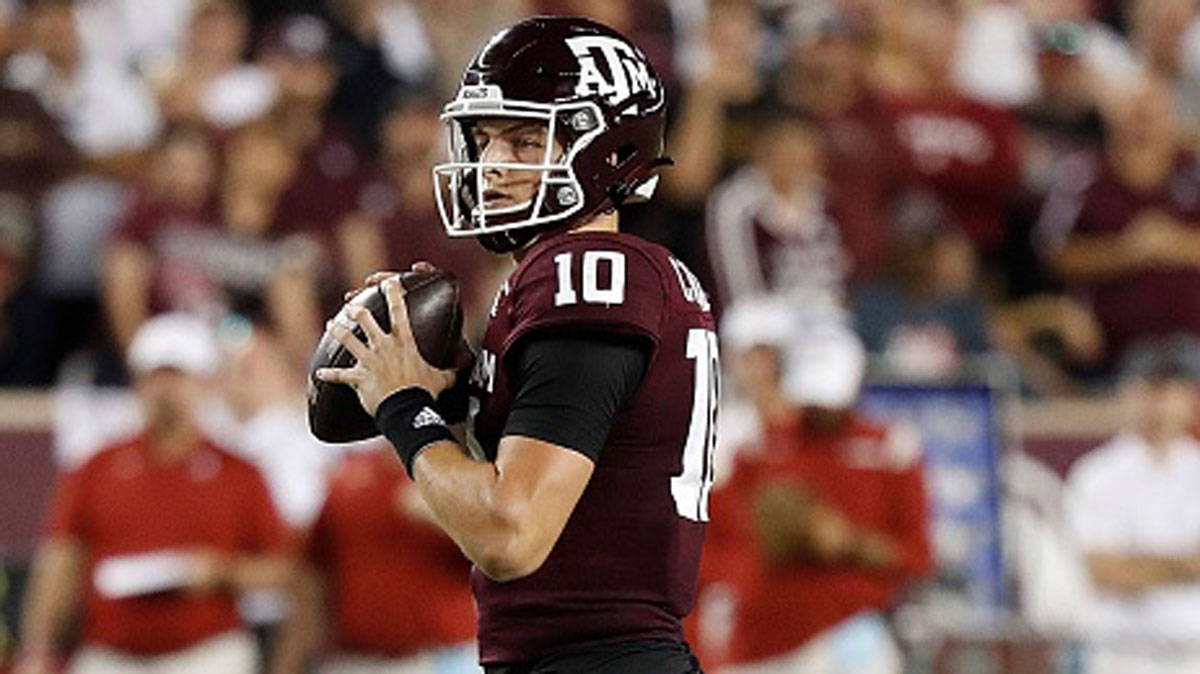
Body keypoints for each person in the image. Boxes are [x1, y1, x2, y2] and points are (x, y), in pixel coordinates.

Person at [316, 16, 716, 674]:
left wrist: (403, 405)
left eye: (528, 140)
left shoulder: (585, 275)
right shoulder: (611, 275)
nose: (494, 165)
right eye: (485, 139)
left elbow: (510, 535)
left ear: (608, 151)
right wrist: (453, 401)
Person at [13, 313, 294, 674]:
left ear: (204, 383)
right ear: (137, 383)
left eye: (177, 377)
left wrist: (222, 573)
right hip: (111, 653)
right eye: (155, 377)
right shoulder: (97, 467)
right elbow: (61, 562)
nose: (166, 390)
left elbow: (281, 569)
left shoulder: (239, 472)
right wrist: (39, 648)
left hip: (207, 653)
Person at [704, 325, 933, 674]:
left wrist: (847, 542)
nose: (820, 410)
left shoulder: (890, 448)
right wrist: (771, 532)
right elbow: (722, 542)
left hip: (849, 629)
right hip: (764, 637)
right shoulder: (756, 448)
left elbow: (918, 556)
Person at [271, 444, 480, 674]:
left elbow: (503, 559)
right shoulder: (349, 475)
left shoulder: (468, 474)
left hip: (443, 658)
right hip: (356, 658)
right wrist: (289, 662)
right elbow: (314, 581)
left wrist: (443, 514)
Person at [1064, 335, 1200, 674]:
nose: (1161, 403)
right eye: (1151, 389)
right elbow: (1103, 570)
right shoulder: (1096, 474)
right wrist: (1186, 564)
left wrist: (1141, 566)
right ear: (1128, 393)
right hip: (1120, 654)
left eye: (1172, 389)